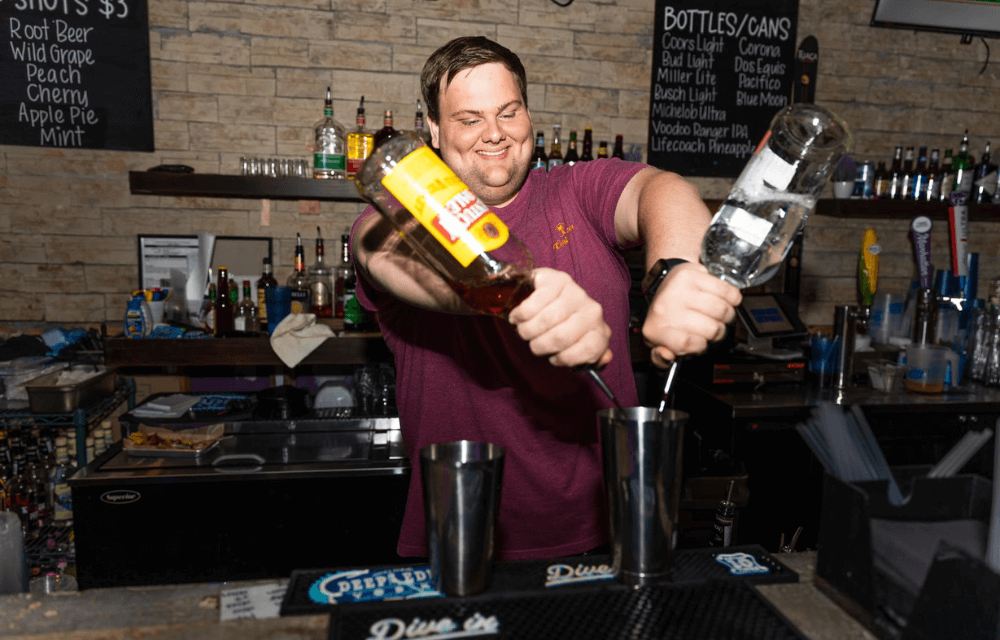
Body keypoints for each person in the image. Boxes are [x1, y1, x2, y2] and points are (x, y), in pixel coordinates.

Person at [351, 36, 742, 561]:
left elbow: (662, 191)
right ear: (434, 130)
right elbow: (380, 250)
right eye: (469, 119)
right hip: (460, 537)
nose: (494, 134)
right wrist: (509, 293)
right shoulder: (398, 217)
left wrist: (677, 270)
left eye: (508, 112)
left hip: (609, 530)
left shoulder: (578, 191)